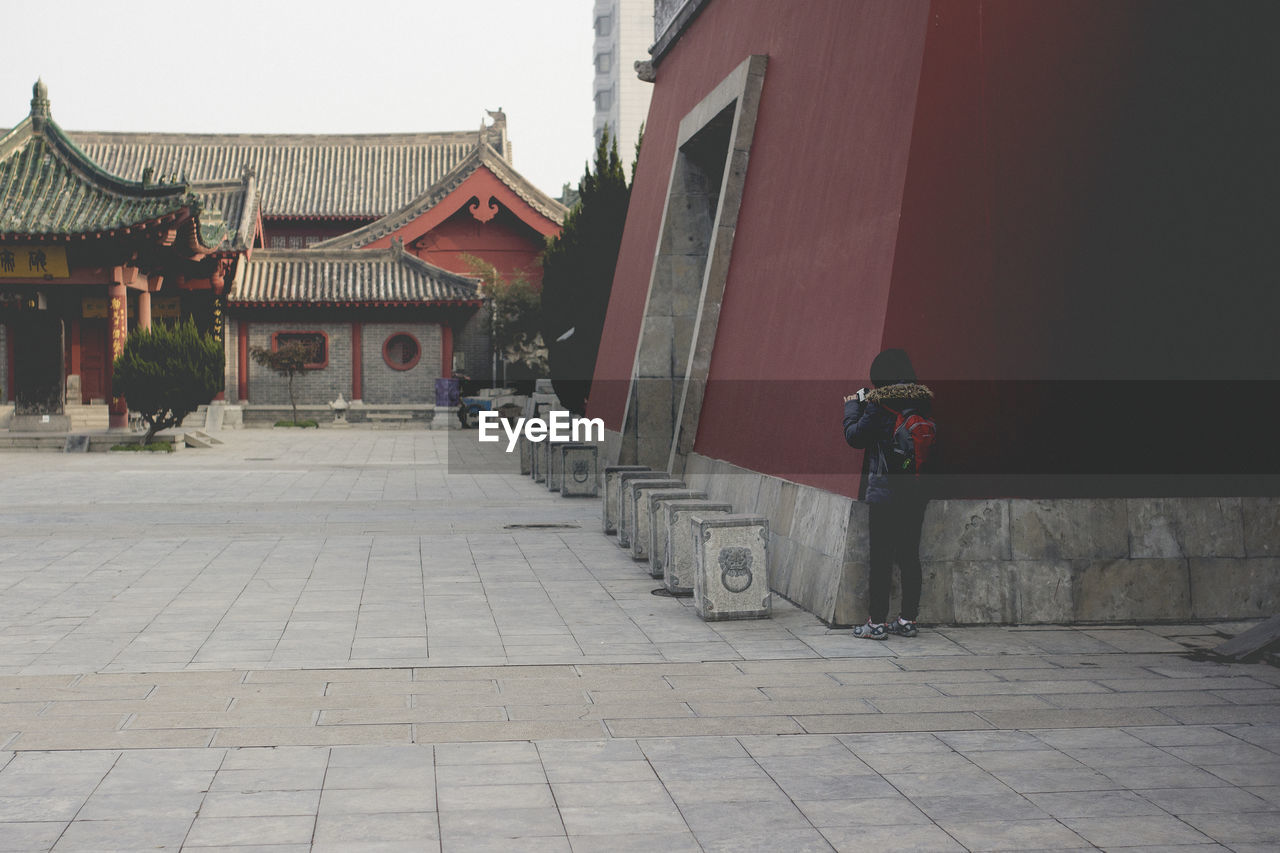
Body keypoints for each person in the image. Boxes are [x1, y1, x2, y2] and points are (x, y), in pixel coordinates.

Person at [842, 348, 934, 639]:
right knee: (908, 555)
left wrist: (852, 407)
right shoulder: (922, 402)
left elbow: (855, 437)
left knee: (881, 558)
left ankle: (876, 622)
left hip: (884, 493)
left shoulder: (879, 404)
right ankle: (908, 620)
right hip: (916, 492)